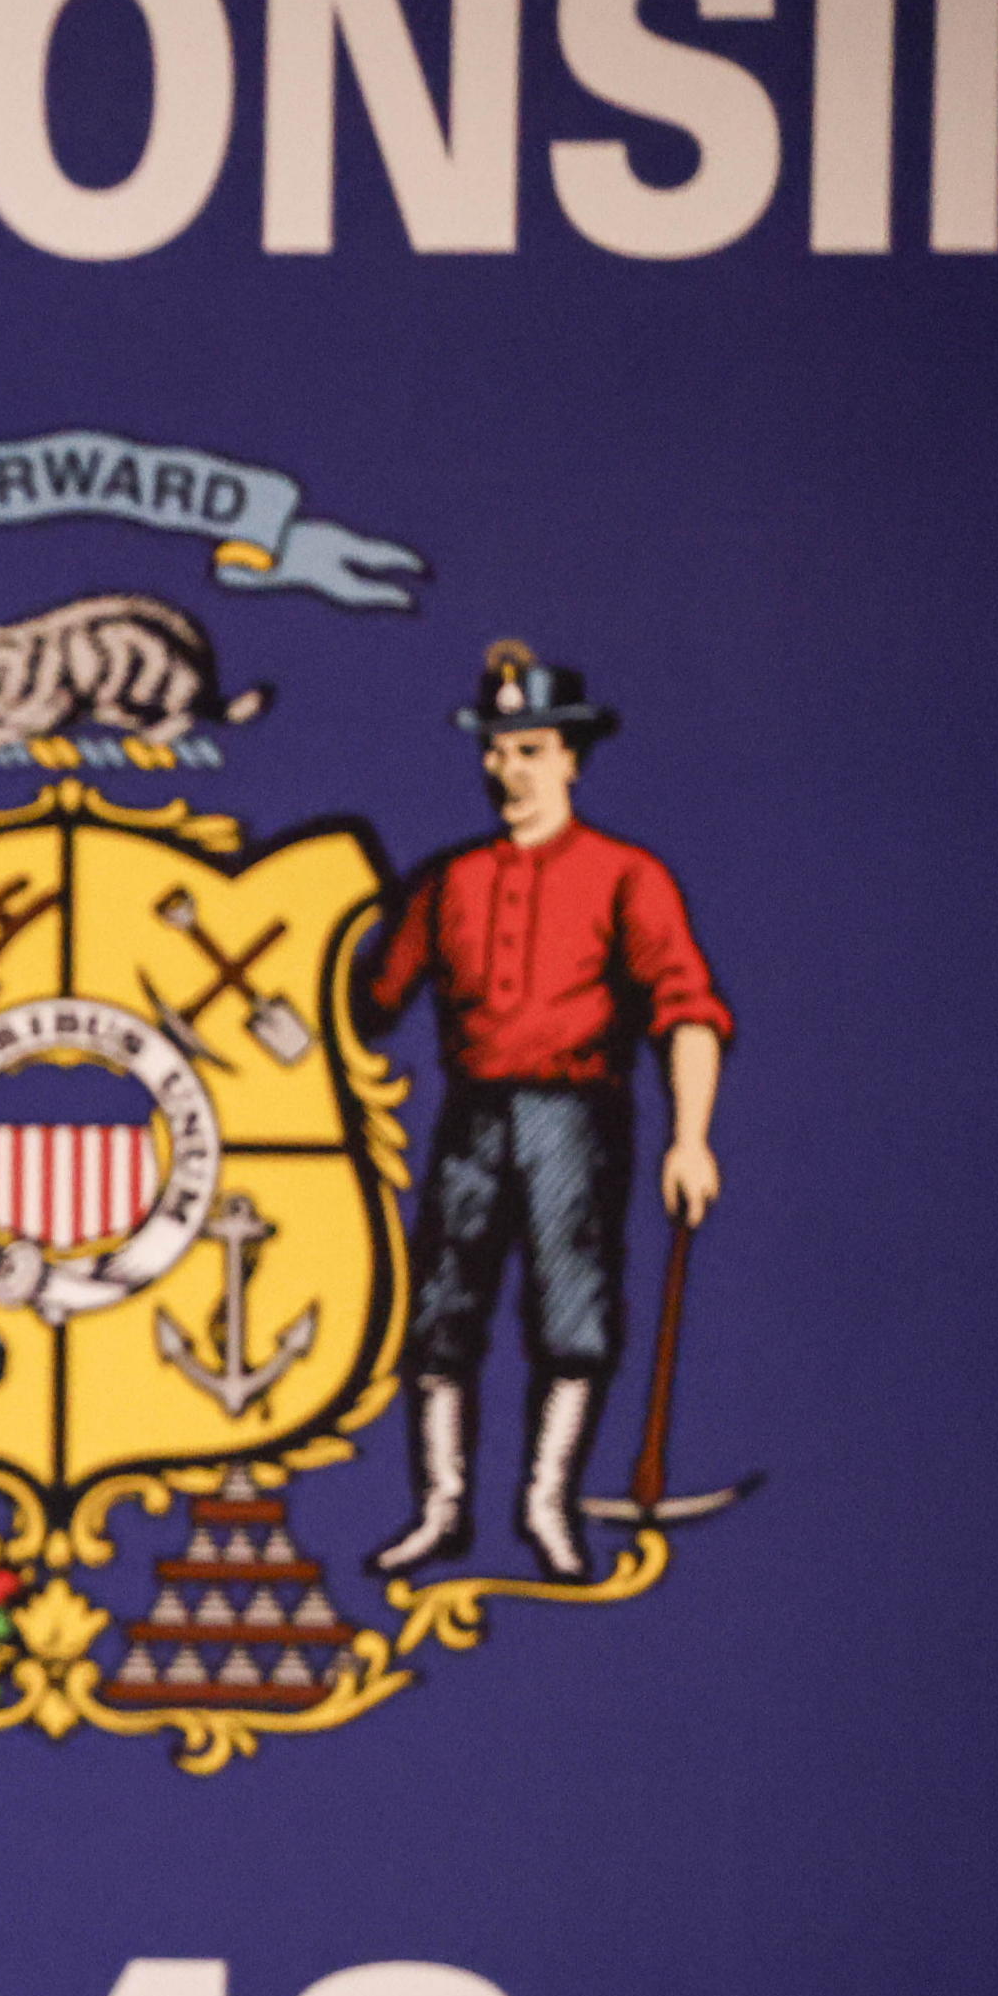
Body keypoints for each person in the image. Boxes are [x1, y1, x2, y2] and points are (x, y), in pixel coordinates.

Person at [356, 641, 732, 1582]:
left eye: (530, 748)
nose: (508, 768)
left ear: (570, 755)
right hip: (470, 1121)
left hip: (576, 1120)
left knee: (573, 1318)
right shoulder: (445, 882)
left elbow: (686, 1009)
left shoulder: (626, 877)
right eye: (497, 749)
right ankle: (441, 1510)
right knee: (440, 1314)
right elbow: (366, 1006)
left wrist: (691, 1138)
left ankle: (546, 1505)